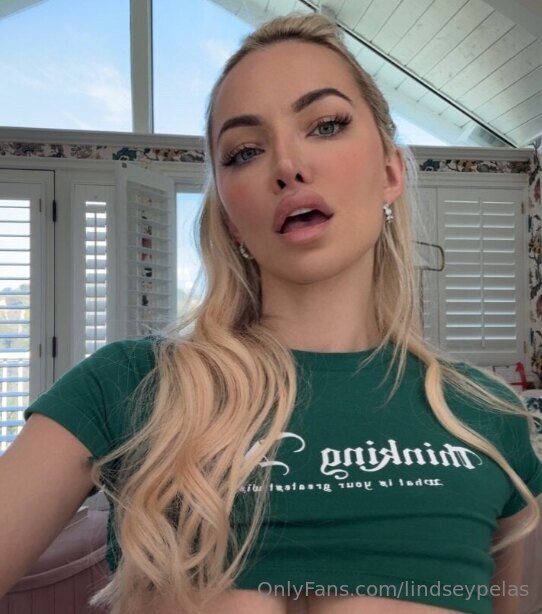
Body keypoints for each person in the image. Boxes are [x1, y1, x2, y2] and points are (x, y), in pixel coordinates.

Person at [1, 11, 541, 614]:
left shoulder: (488, 417)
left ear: (390, 172)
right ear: (231, 220)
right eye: (245, 152)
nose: (287, 165)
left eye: (326, 125)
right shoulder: (128, 385)